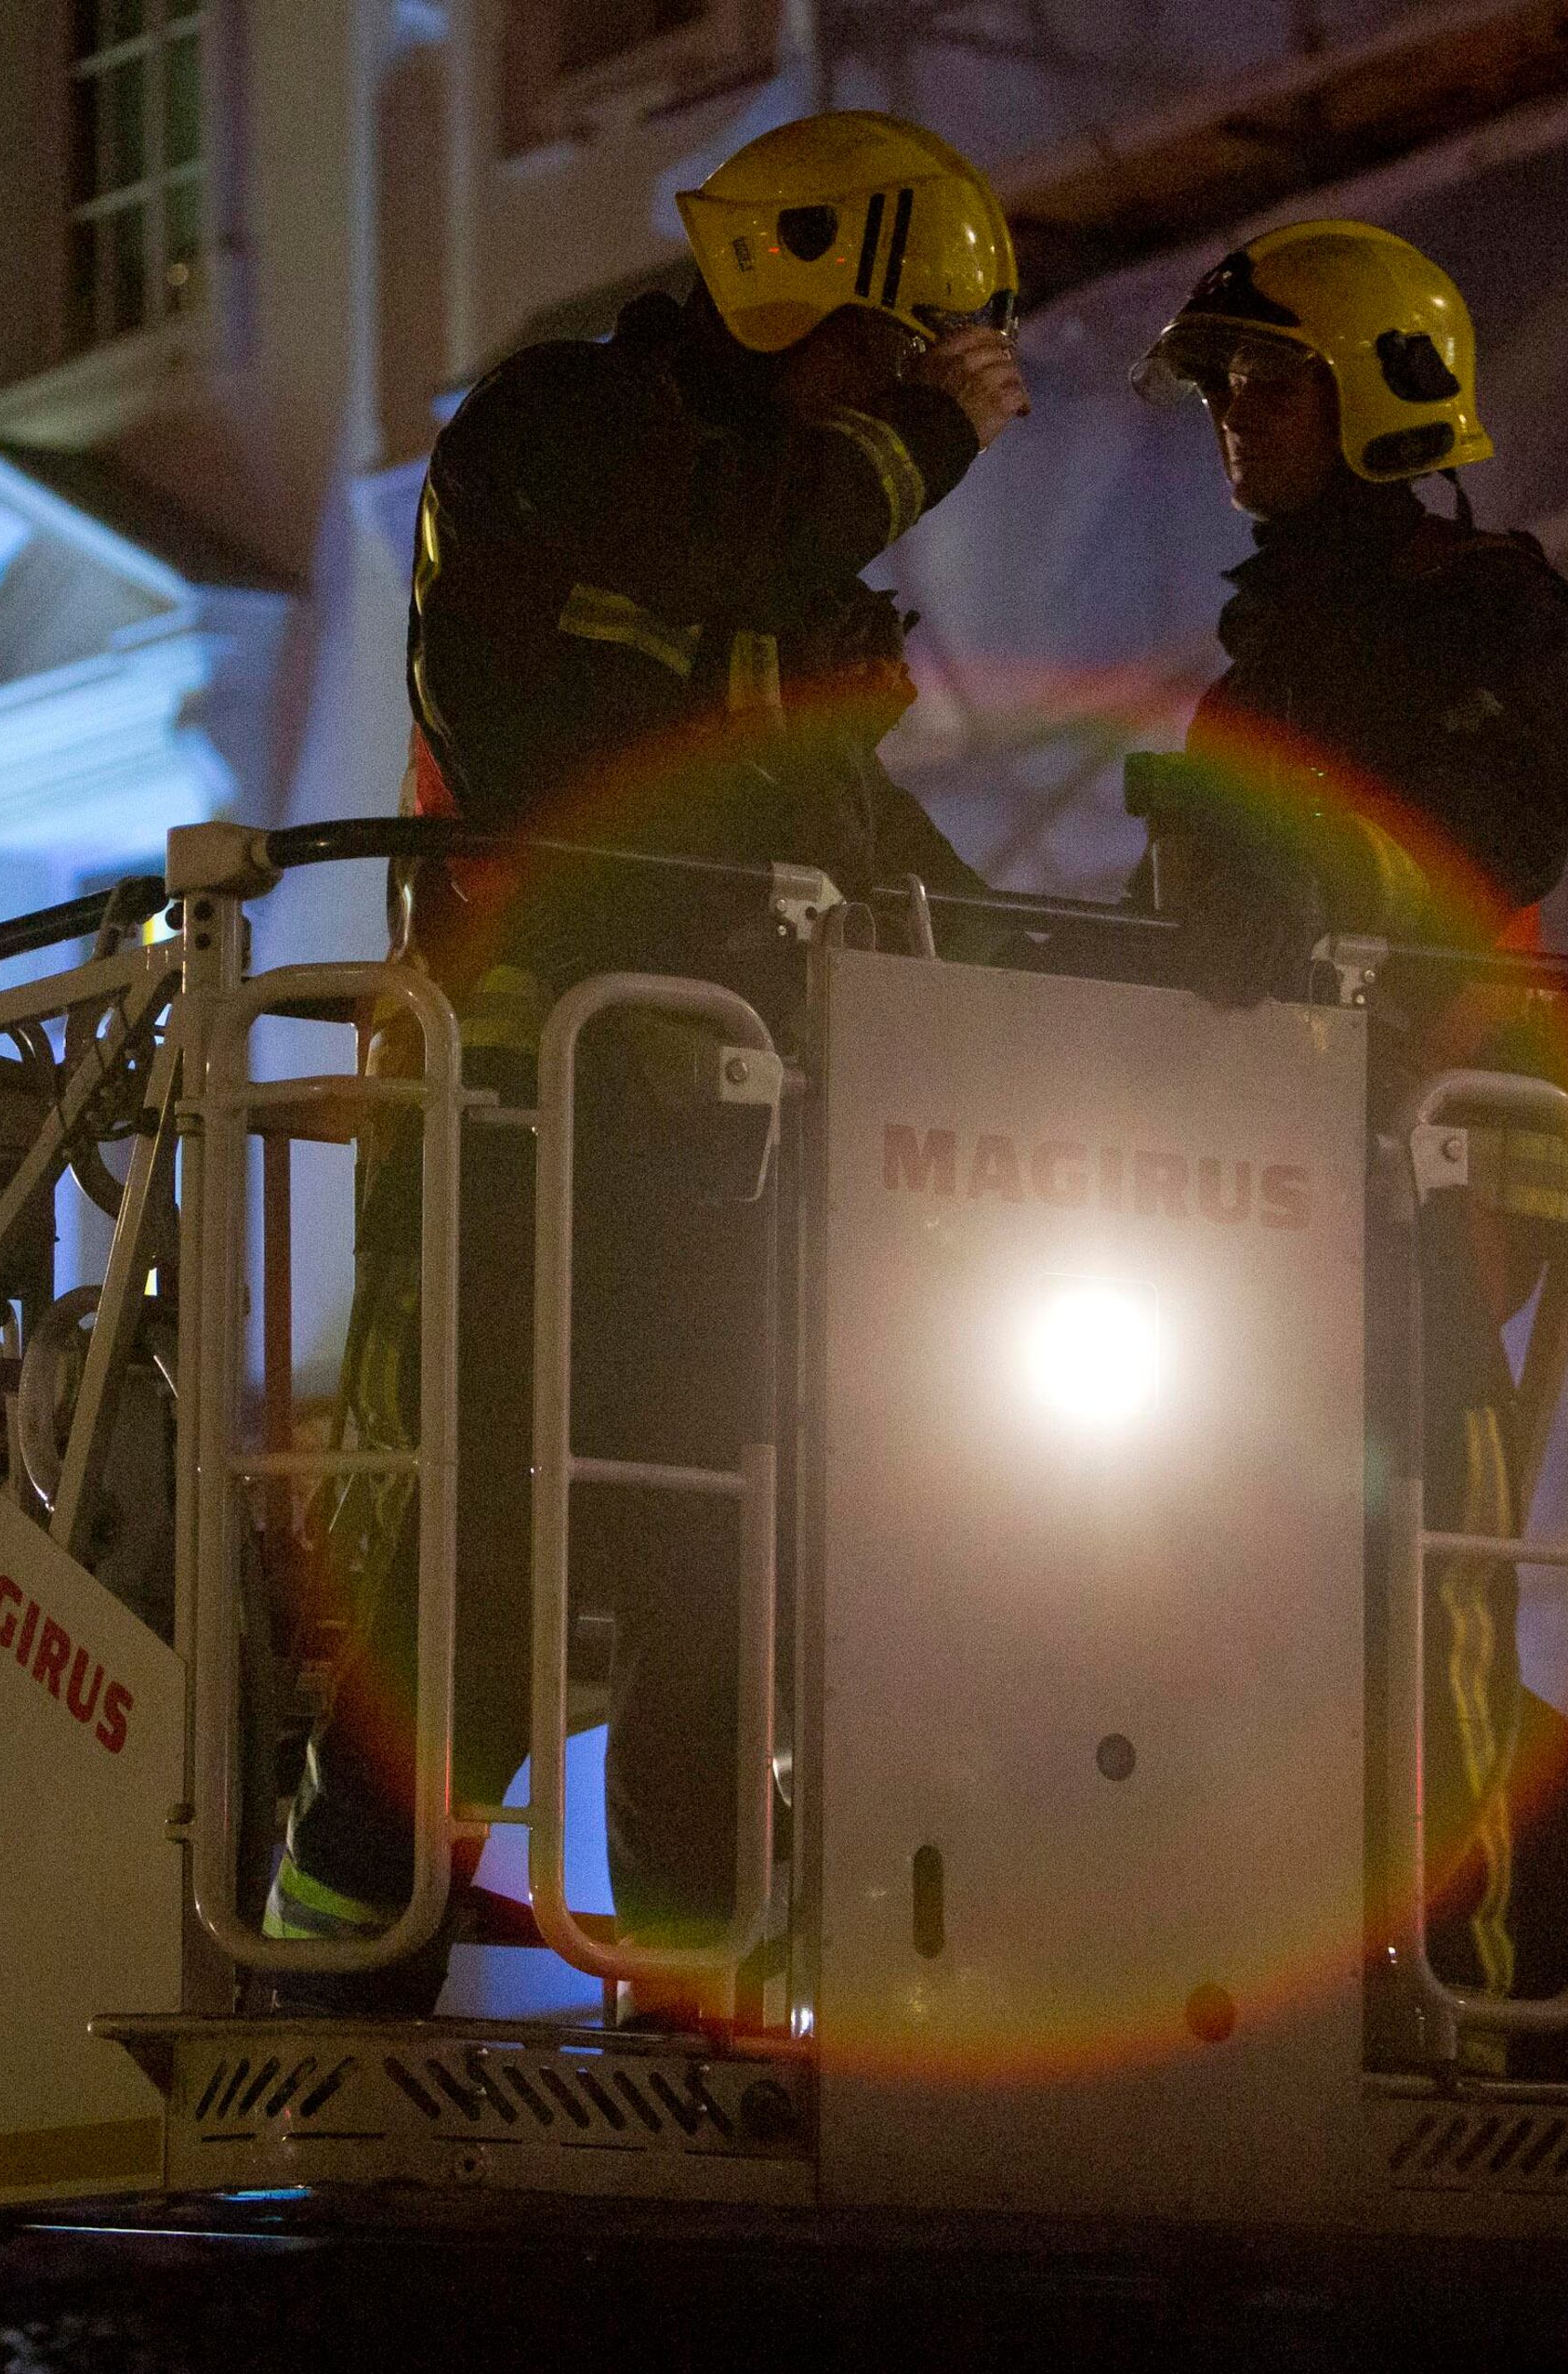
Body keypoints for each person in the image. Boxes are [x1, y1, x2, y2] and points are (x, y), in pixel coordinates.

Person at [265, 111, 1030, 2015]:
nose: (902, 399)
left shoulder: (766, 527)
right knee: (475, 1549)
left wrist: (1065, 968)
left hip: (724, 1118)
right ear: (806, 302)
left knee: (726, 1562)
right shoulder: (565, 437)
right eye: (896, 351)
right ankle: (342, 1965)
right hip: (518, 1092)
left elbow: (816, 800)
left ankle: (694, 1997)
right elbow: (724, 554)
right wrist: (926, 443)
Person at [1128, 222, 1568, 2038]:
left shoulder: (1492, 614)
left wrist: (1297, 882)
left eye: (1266, 382)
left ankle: (1476, 2005)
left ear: (1379, 395)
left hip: (1432, 1168)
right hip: (1253, 1198)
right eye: (1219, 392)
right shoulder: (1249, 685)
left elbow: (1496, 839)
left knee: (1432, 1590)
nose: (1231, 421)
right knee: (1256, 1593)